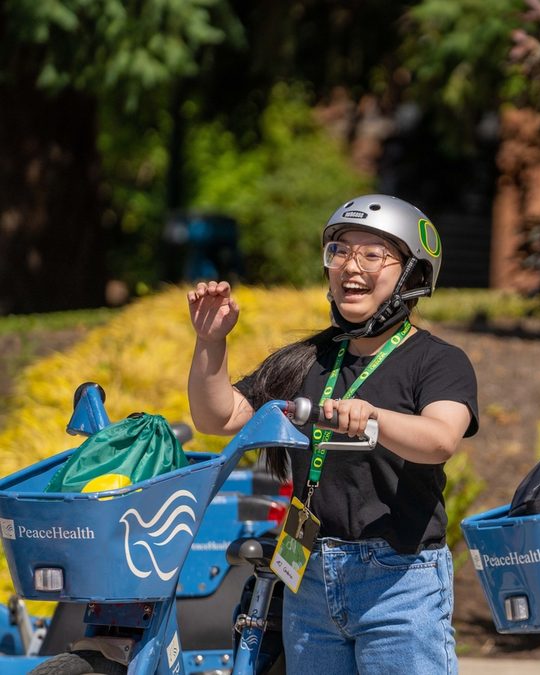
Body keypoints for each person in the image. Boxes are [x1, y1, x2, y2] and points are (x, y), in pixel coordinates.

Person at [187, 194, 478, 674]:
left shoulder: (437, 360)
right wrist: (210, 343)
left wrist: (372, 418)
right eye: (340, 251)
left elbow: (440, 438)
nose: (350, 266)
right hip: (310, 573)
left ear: (413, 275)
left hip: (400, 579)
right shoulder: (309, 359)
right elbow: (219, 417)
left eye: (372, 254)